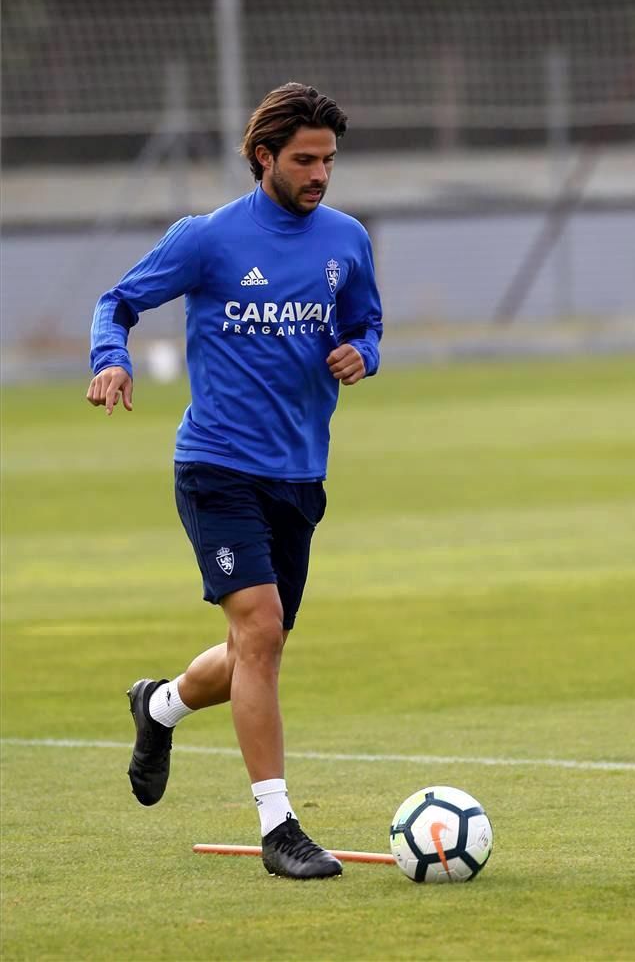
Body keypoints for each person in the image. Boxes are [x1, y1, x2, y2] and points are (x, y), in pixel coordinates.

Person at [86, 83, 383, 880]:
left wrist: (364, 353)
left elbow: (365, 323)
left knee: (261, 639)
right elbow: (118, 301)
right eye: (304, 160)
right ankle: (278, 825)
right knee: (259, 632)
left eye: (327, 160)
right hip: (217, 466)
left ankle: (159, 704)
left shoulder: (346, 240)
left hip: (300, 473)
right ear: (264, 158)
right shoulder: (209, 238)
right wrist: (110, 357)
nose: (320, 173)